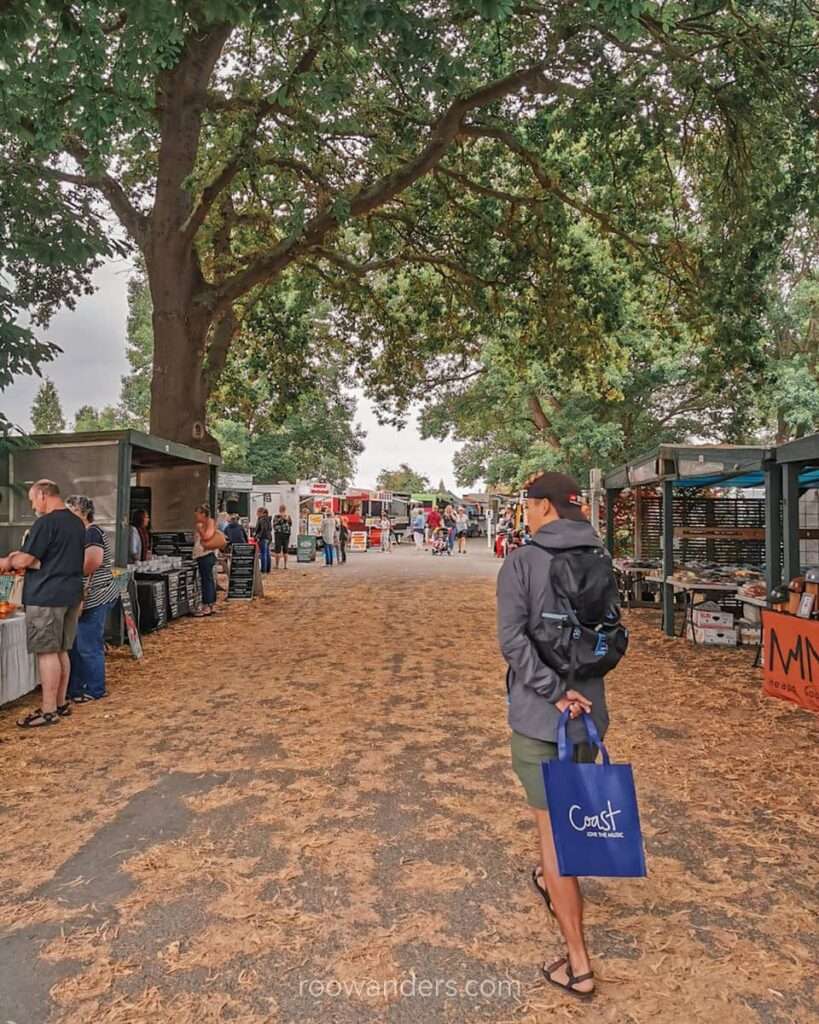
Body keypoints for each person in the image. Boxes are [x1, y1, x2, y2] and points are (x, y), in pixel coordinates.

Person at [497, 471, 608, 999]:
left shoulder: (522, 560)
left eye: (529, 504)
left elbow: (512, 642)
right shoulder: (601, 558)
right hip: (591, 715)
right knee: (571, 812)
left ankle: (579, 965)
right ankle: (551, 880)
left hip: (544, 719)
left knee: (553, 834)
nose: (526, 512)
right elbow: (609, 638)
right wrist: (579, 690)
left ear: (542, 508)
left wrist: (552, 690)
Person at [0, 480, 85, 728]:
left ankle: (48, 712)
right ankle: (60, 703)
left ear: (43, 495)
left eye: (33, 499)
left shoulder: (46, 523)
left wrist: (10, 560)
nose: (33, 504)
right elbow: (52, 559)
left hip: (47, 596)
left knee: (46, 652)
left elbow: (28, 559)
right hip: (70, 594)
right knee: (61, 650)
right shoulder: (76, 522)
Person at [65, 495, 119, 702]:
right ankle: (78, 688)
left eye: (71, 512)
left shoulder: (92, 533)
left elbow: (92, 563)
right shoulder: (86, 533)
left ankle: (95, 689)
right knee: (80, 644)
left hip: (95, 596)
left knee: (88, 646)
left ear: (83, 513)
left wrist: (67, 571)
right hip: (93, 596)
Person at [193, 504, 224, 616]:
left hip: (205, 554)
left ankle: (207, 605)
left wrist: (199, 530)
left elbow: (206, 537)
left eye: (197, 513)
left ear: (203, 514)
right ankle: (211, 604)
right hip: (205, 554)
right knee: (208, 580)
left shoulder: (207, 523)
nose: (196, 516)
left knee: (206, 580)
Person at [255, 507, 272, 573]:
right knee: (267, 553)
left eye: (257, 512)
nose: (256, 514)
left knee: (263, 554)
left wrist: (258, 536)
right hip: (268, 537)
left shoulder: (261, 519)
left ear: (260, 513)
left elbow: (262, 529)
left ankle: (263, 569)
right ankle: (268, 569)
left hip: (263, 538)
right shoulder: (268, 519)